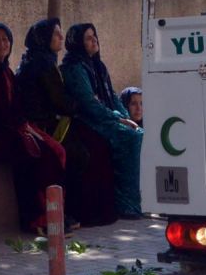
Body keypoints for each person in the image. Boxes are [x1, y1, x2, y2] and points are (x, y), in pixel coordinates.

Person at [0, 23, 69, 235]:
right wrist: (15, 127)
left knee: (55, 150)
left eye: (5, 40)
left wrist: (23, 125)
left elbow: (15, 107)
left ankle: (55, 215)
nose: (2, 44)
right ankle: (35, 218)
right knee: (33, 156)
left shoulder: (5, 70)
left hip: (10, 127)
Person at [14, 18, 117, 228]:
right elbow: (60, 101)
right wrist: (79, 104)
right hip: (41, 126)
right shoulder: (42, 64)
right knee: (80, 153)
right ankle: (72, 211)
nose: (61, 38)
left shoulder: (41, 60)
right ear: (44, 39)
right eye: (56, 34)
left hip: (48, 121)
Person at [62, 23, 145, 219]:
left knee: (138, 132)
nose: (94, 41)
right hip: (88, 120)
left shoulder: (97, 66)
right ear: (78, 43)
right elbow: (89, 103)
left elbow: (112, 97)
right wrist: (118, 119)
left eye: (95, 36)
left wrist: (124, 116)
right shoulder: (73, 67)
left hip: (105, 116)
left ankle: (136, 200)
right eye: (88, 38)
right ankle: (126, 205)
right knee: (129, 138)